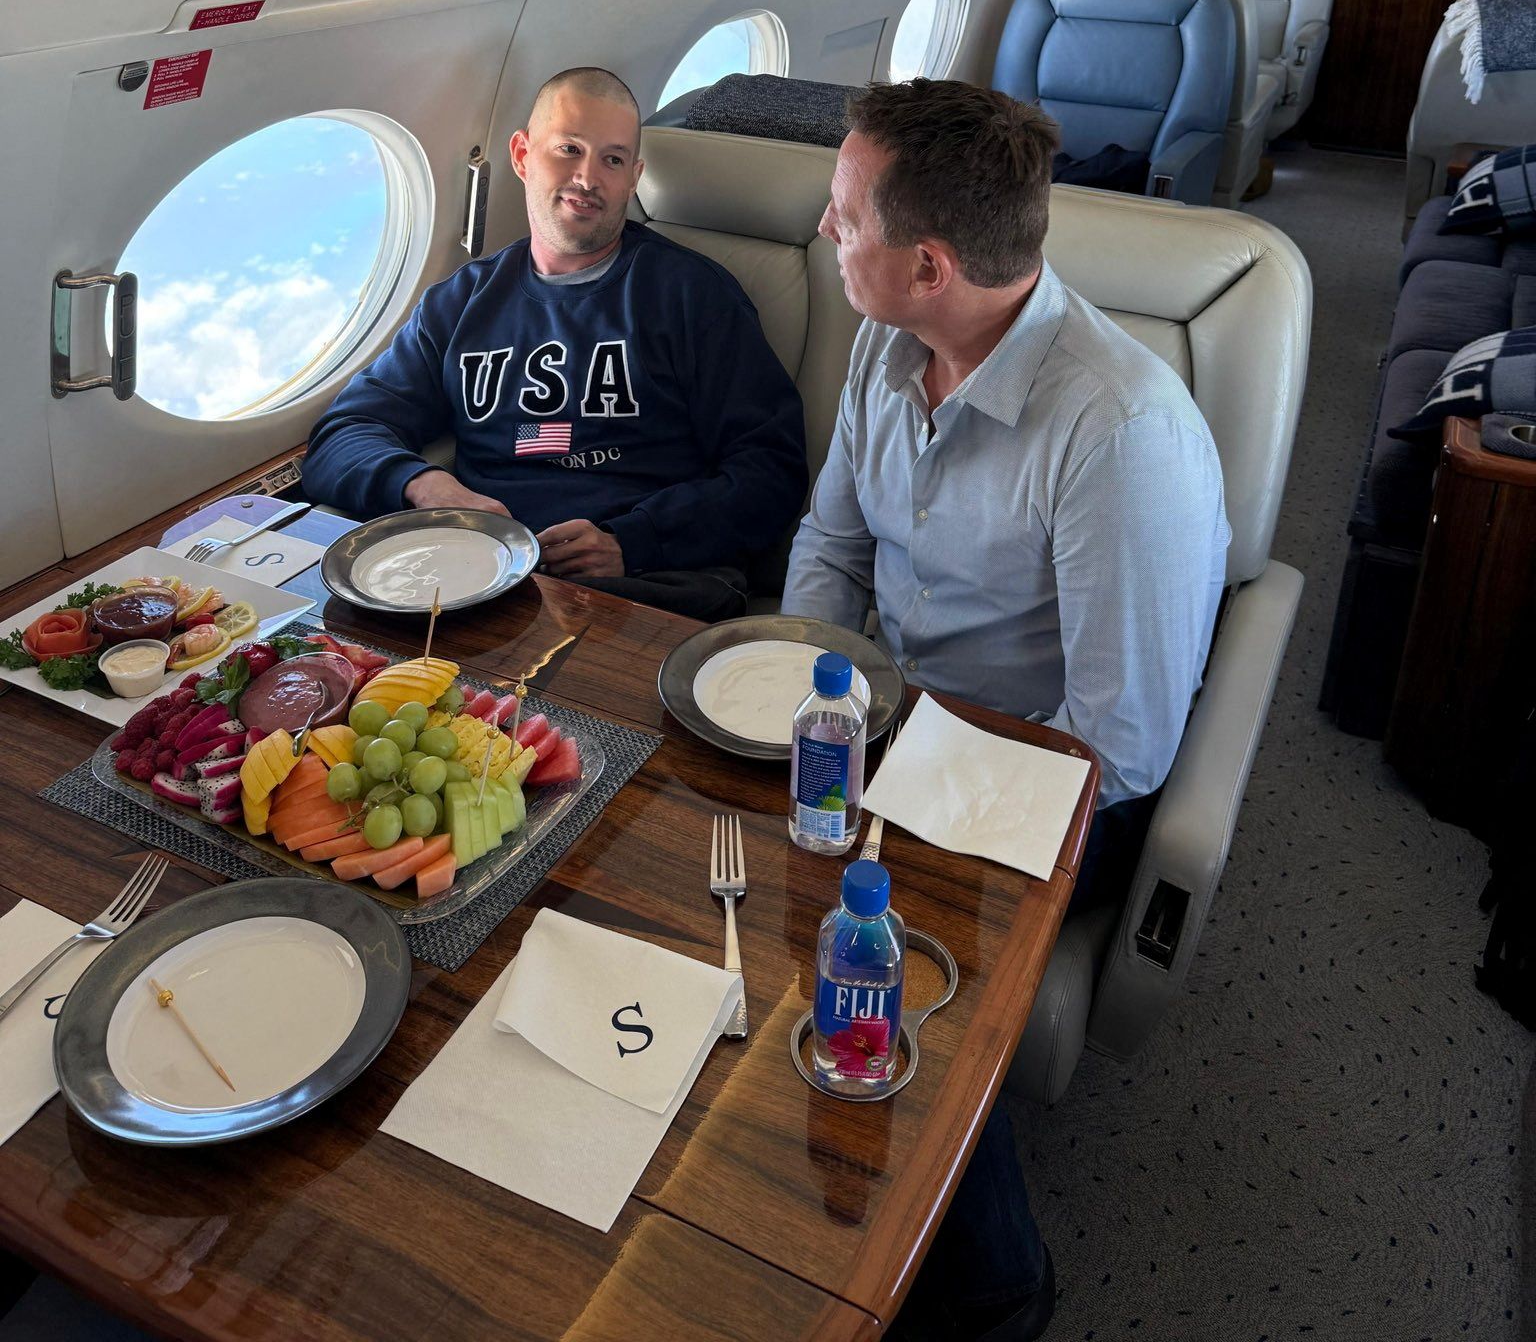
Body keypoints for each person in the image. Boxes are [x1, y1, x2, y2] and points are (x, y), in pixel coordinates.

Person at [782, 78, 1230, 1340]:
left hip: (1048, 786)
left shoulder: (1119, 430)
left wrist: (902, 795)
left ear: (927, 262)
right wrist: (812, 698)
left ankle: (996, 1291)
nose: (824, 230)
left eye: (842, 214)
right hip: (892, 730)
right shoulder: (887, 341)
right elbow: (830, 545)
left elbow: (1119, 749)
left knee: (883, 947)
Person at [302, 67, 808, 621]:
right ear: (522, 155)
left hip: (647, 587)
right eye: (569, 149)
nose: (588, 178)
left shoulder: (693, 296)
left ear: (634, 176)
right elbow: (343, 434)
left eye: (613, 160)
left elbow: (770, 469)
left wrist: (633, 541)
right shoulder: (460, 304)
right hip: (478, 579)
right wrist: (427, 487)